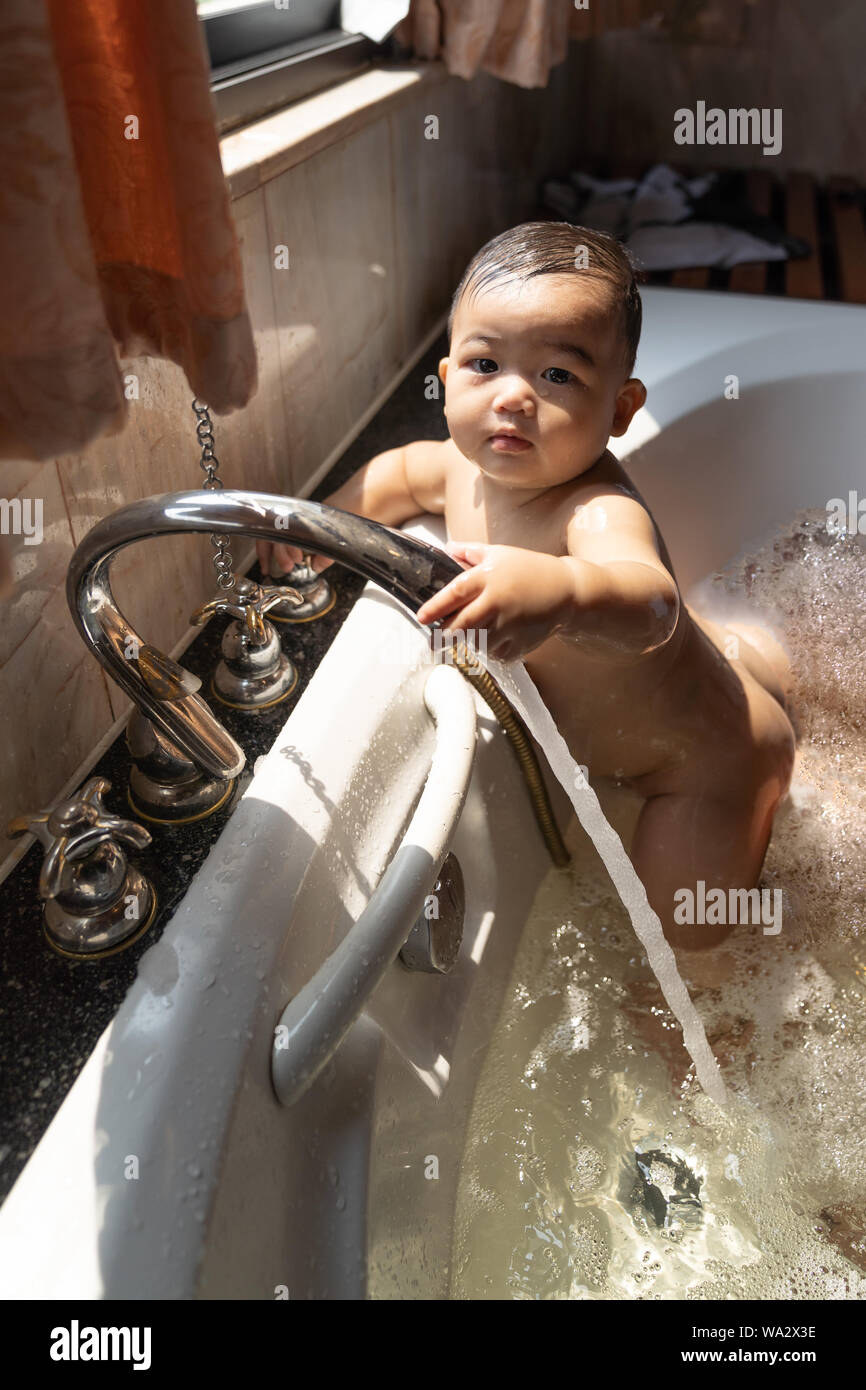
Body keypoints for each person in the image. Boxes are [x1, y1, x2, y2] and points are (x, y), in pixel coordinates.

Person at [256, 222, 796, 951]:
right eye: (485, 364)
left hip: (698, 767)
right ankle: (762, 665)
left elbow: (652, 602)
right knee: (717, 668)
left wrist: (564, 589)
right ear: (446, 379)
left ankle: (775, 780)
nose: (512, 397)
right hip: (689, 692)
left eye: (558, 376)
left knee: (684, 943)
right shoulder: (456, 465)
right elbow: (391, 476)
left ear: (620, 410)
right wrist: (316, 536)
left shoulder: (596, 508)